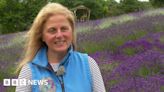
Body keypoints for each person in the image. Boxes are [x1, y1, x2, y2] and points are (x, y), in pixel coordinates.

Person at [16, 2, 106, 92]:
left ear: (72, 31)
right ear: (42, 36)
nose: (59, 35)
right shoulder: (29, 72)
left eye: (64, 29)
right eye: (52, 30)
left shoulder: (88, 65)